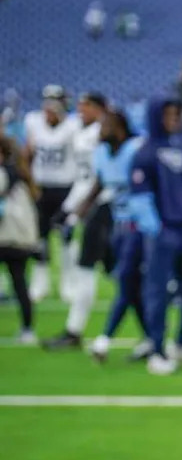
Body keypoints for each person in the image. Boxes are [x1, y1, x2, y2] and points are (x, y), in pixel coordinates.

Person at [128, 98, 182, 375]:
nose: (174, 119)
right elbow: (139, 196)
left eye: (177, 113)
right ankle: (157, 350)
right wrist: (156, 228)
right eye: (168, 114)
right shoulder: (144, 152)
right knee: (158, 292)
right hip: (165, 232)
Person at [43, 92, 110, 350]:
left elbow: (100, 179)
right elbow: (85, 178)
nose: (81, 110)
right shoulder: (82, 133)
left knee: (125, 275)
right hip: (91, 208)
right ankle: (74, 330)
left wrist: (74, 209)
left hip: (106, 209)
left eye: (87, 106)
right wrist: (69, 207)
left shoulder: (104, 134)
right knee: (92, 268)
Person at [83, 110, 151, 363]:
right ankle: (152, 340)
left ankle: (104, 340)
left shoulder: (135, 149)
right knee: (131, 288)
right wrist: (79, 210)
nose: (101, 129)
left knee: (126, 282)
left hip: (140, 226)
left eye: (106, 124)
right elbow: (100, 184)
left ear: (120, 126)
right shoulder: (101, 153)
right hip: (118, 226)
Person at [23, 84, 81, 302]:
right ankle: (40, 283)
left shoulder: (73, 125)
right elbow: (28, 154)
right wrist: (29, 184)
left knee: (67, 237)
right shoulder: (33, 121)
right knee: (40, 238)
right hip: (41, 188)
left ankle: (69, 283)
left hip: (65, 187)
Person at [0, 134, 40, 343]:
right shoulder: (21, 173)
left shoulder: (6, 174)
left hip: (7, 237)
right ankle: (27, 329)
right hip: (20, 239)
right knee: (19, 283)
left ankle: (27, 329)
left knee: (18, 283)